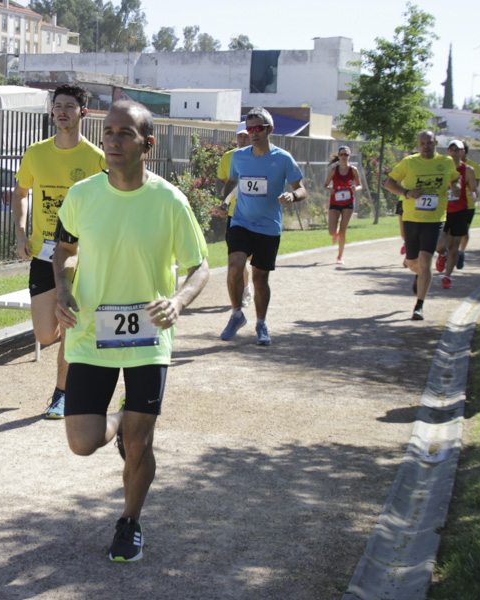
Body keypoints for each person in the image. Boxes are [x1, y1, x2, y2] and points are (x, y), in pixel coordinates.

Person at [51, 100, 209, 563]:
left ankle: (129, 522)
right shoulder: (82, 195)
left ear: (148, 144)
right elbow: (62, 252)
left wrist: (178, 301)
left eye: (124, 133)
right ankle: (117, 421)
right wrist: (63, 290)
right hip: (89, 336)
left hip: (148, 338)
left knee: (141, 444)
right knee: (82, 442)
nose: (113, 141)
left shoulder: (169, 200)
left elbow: (201, 267)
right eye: (108, 132)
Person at [12, 84, 106, 419]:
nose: (62, 111)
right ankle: (76, 363)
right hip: (43, 255)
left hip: (80, 256)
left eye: (69, 105)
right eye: (57, 105)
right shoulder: (36, 153)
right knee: (44, 333)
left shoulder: (96, 158)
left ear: (83, 112)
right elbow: (20, 193)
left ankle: (62, 394)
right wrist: (22, 233)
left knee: (69, 324)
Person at [219, 107, 307, 345]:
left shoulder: (283, 158)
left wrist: (292, 196)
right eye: (250, 129)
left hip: (268, 227)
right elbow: (232, 182)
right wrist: (225, 202)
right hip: (241, 221)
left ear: (270, 129)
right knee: (235, 265)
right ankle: (236, 314)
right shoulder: (239, 156)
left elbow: (301, 188)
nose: (253, 133)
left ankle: (261, 323)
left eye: (259, 128)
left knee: (260, 278)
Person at [383, 130, 460, 320]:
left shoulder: (446, 162)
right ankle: (419, 275)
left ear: (435, 143)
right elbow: (389, 183)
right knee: (413, 263)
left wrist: (456, 186)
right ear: (418, 145)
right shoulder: (409, 162)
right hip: (411, 218)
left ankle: (419, 305)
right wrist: (407, 192)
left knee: (426, 259)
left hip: (434, 219)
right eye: (422, 143)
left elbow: (454, 178)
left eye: (429, 142)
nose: (426, 146)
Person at [216, 122, 253, 306]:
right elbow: (220, 181)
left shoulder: (260, 157)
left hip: (256, 214)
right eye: (240, 136)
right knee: (239, 257)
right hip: (235, 214)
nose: (242, 140)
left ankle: (250, 283)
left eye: (246, 136)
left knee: (253, 258)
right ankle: (245, 289)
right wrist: (225, 201)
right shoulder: (228, 157)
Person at [434, 140, 477, 289]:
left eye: (457, 150)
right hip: (443, 211)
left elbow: (473, 189)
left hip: (460, 211)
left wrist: (473, 194)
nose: (454, 153)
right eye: (451, 150)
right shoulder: (441, 168)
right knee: (440, 245)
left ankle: (447, 276)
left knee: (454, 247)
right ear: (448, 152)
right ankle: (442, 255)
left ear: (462, 152)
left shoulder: (468, 170)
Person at [324, 145, 363, 264]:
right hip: (335, 202)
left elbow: (360, 185)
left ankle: (340, 256)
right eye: (341, 154)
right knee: (332, 231)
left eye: (346, 154)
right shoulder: (334, 170)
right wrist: (329, 189)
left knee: (343, 231)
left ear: (349, 156)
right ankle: (335, 233)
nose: (344, 157)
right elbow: (325, 185)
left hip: (348, 203)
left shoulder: (353, 170)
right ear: (339, 156)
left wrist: (355, 188)